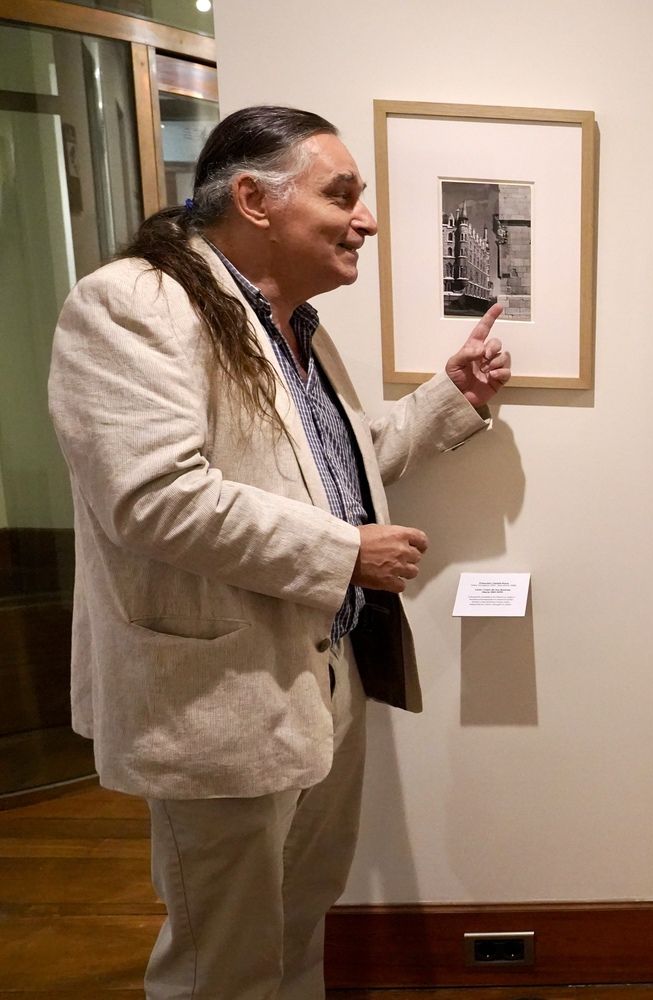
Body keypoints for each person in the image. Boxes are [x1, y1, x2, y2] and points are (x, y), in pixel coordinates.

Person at [47, 106, 512, 998]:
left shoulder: (289, 323)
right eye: (343, 195)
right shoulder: (131, 304)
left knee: (301, 919)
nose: (366, 219)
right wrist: (346, 555)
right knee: (219, 955)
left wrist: (450, 397)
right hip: (217, 694)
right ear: (254, 199)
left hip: (322, 674)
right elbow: (153, 497)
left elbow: (335, 467)